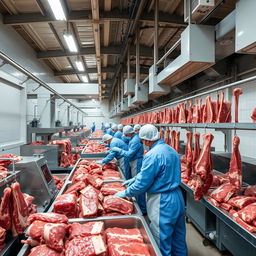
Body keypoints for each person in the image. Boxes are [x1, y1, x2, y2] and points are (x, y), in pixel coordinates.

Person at [115, 124, 187, 256]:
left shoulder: (152, 154)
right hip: (177, 197)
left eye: (142, 141)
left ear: (147, 140)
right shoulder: (171, 150)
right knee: (178, 237)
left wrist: (126, 192)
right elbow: (159, 171)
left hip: (162, 200)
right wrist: (136, 177)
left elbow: (142, 184)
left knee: (161, 239)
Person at [112, 125, 147, 214]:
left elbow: (130, 154)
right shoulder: (133, 138)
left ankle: (141, 208)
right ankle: (140, 205)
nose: (125, 135)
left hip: (136, 162)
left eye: (126, 134)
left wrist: (119, 150)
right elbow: (126, 141)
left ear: (129, 133)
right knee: (136, 182)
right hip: (134, 161)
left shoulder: (135, 140)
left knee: (138, 184)